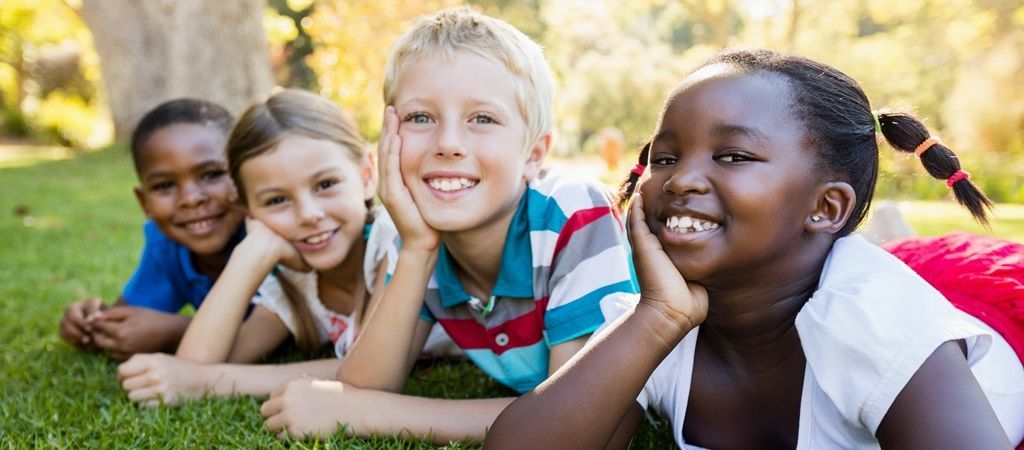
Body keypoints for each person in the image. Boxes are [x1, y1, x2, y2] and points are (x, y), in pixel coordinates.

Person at [487, 48, 1024, 449]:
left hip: (995, 315)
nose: (680, 181)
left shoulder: (880, 326)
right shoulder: (655, 320)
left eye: (734, 155)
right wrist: (657, 319)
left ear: (826, 207)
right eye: (667, 158)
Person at [259, 7, 638, 442]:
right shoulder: (417, 234)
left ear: (534, 154)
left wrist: (369, 414)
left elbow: (580, 418)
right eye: (421, 117)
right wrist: (417, 251)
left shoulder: (571, 212)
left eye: (483, 118)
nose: (448, 144)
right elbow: (363, 385)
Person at [118, 89, 388, 406]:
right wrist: (253, 252)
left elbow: (372, 372)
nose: (308, 214)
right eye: (276, 200)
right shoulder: (294, 280)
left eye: (325, 184)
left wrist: (207, 384)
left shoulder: (392, 243)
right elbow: (195, 362)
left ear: (367, 175)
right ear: (247, 209)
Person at [57, 98, 245, 361]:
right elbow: (133, 316)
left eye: (211, 174)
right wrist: (94, 320)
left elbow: (289, 333)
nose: (191, 198)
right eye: (164, 185)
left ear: (247, 174)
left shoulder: (273, 236)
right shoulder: (167, 247)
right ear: (144, 202)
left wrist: (176, 332)